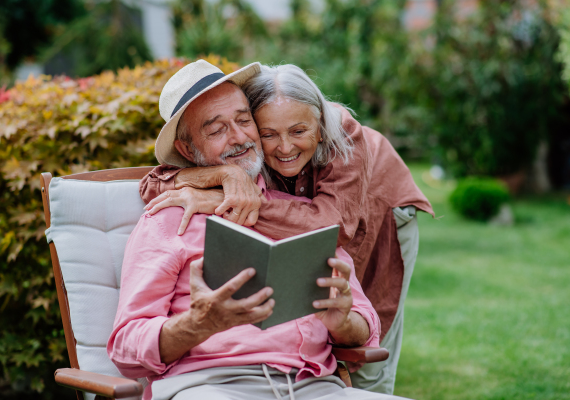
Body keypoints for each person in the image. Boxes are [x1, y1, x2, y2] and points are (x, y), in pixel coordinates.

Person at [108, 60, 411, 400]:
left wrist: (342, 322)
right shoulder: (169, 219)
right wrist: (198, 324)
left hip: (314, 385)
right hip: (212, 386)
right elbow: (125, 347)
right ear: (186, 150)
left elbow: (363, 322)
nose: (239, 138)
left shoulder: (303, 212)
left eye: (243, 120)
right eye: (216, 129)